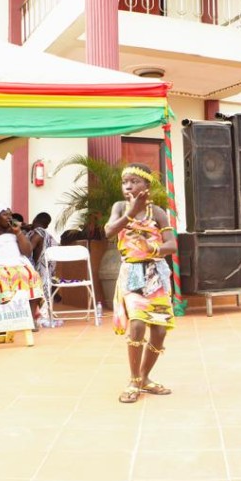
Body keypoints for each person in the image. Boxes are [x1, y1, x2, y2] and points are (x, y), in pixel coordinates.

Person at [104, 163, 177, 404]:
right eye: (125, 182)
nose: (128, 186)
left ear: (147, 186)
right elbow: (109, 231)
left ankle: (145, 378)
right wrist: (131, 212)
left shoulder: (158, 212)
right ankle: (134, 380)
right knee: (137, 325)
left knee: (159, 330)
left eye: (134, 181)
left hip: (156, 275)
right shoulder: (119, 207)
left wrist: (152, 248)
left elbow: (171, 245)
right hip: (132, 274)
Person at [0, 201, 45, 324]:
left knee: (32, 275)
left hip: (17, 265)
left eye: (10, 214)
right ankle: (6, 318)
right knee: (2, 276)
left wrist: (18, 233)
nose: (9, 217)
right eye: (5, 214)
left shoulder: (15, 231)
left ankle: (30, 320)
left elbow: (27, 252)